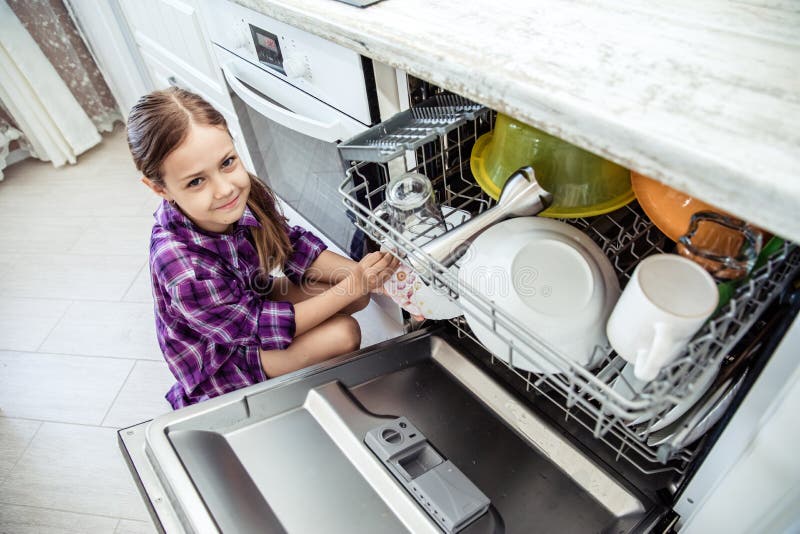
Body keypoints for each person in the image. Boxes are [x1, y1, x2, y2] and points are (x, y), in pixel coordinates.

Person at [126, 87, 399, 409]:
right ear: (159, 188)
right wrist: (353, 284)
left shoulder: (240, 195)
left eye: (227, 162)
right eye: (196, 181)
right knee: (343, 332)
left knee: (358, 293)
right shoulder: (181, 267)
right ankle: (294, 399)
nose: (224, 188)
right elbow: (254, 326)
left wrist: (373, 279)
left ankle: (300, 359)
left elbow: (292, 246)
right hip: (222, 359)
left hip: (247, 302)